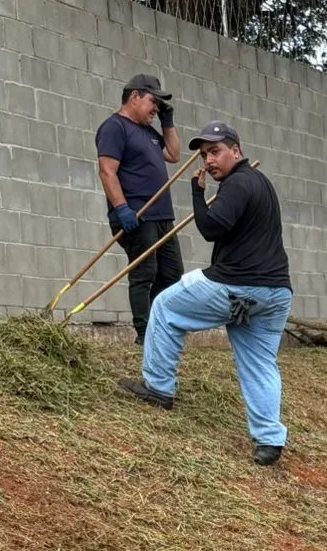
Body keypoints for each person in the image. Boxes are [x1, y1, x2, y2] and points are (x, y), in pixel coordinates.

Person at [118, 121, 294, 467]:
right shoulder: (260, 183)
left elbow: (211, 228)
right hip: (275, 294)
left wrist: (197, 194)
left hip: (235, 286)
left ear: (237, 152)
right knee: (259, 363)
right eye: (204, 154)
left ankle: (158, 388)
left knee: (166, 306)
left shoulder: (238, 183)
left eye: (215, 151)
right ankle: (270, 440)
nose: (209, 160)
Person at [95, 73, 182, 345]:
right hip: (137, 215)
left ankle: (157, 324)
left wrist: (167, 122)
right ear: (134, 97)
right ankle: (145, 334)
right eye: (153, 101)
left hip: (162, 216)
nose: (156, 108)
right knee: (145, 272)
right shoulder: (114, 127)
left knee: (171, 273)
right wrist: (122, 209)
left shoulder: (148, 131)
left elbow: (174, 154)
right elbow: (107, 171)